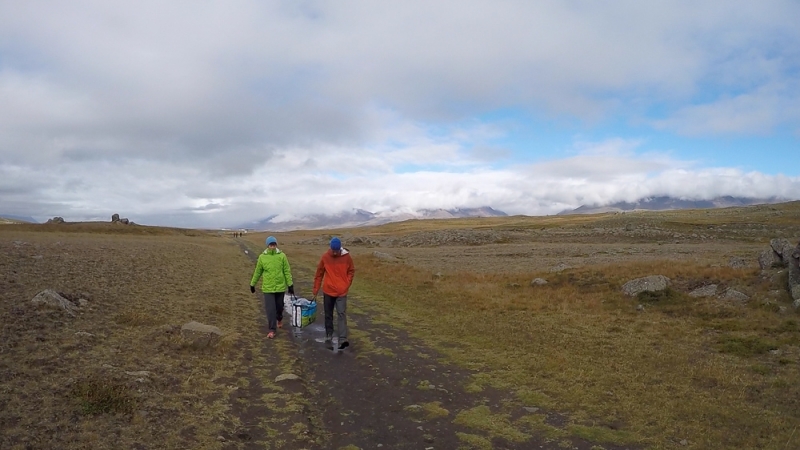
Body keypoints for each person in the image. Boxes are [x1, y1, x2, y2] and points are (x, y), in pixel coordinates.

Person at [313, 237, 355, 349]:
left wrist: (347, 283)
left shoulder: (347, 257)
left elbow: (351, 271)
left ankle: (342, 339)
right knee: (328, 314)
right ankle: (329, 334)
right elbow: (319, 274)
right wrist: (316, 289)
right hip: (328, 291)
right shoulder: (325, 257)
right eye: (333, 250)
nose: (335, 252)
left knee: (341, 314)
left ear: (340, 248)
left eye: (337, 250)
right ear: (330, 248)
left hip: (342, 292)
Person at [250, 236, 294, 339]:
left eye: (274, 245)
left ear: (276, 245)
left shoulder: (282, 256)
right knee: (270, 310)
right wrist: (252, 284)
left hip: (280, 288)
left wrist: (290, 284)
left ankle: (279, 318)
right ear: (267, 246)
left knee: (279, 307)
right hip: (268, 289)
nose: (272, 247)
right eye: (270, 245)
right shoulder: (262, 257)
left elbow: (287, 271)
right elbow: (258, 272)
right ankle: (272, 330)